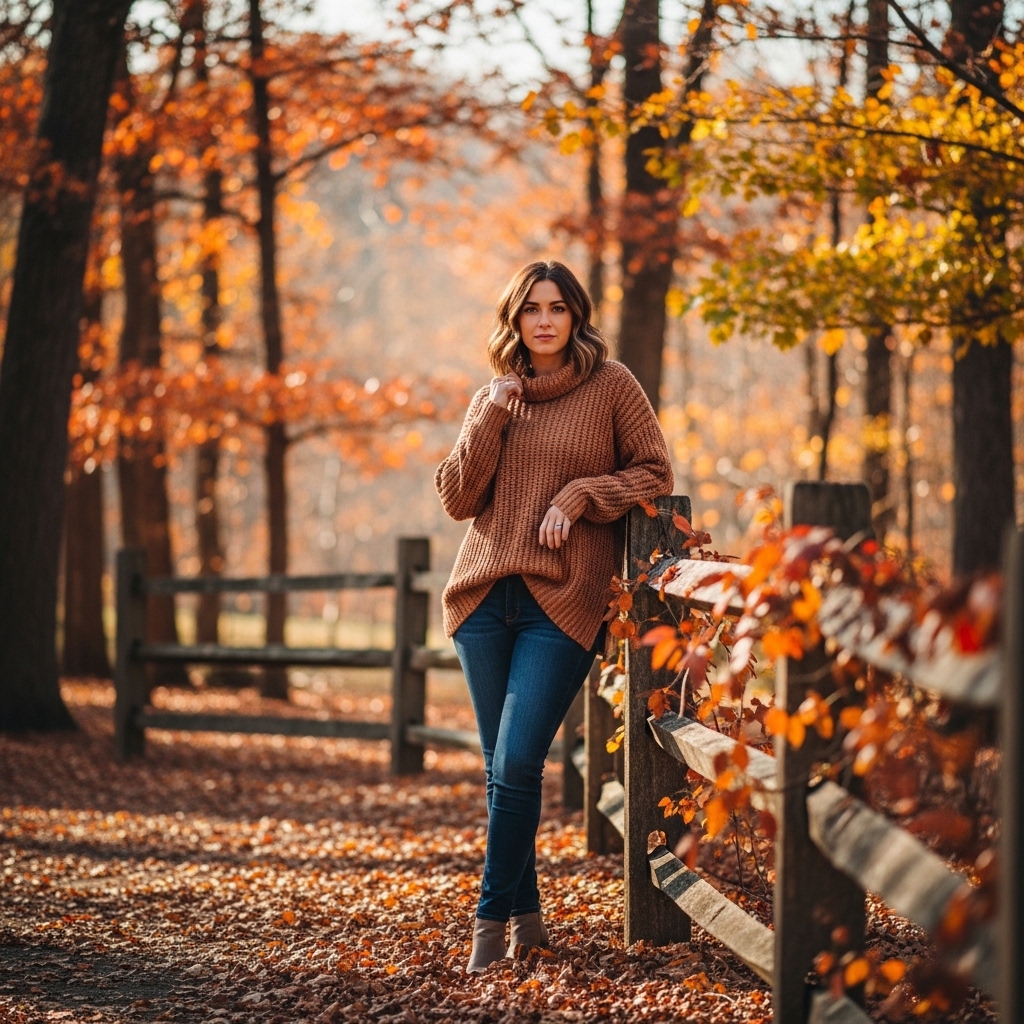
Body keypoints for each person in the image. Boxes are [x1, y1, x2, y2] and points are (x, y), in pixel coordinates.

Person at [435, 260, 673, 974]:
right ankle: (529, 920)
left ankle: (487, 924)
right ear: (514, 320)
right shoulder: (494, 397)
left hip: (561, 602)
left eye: (557, 308)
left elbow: (657, 473)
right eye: (530, 309)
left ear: (577, 317)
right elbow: (455, 497)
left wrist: (581, 495)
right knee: (504, 772)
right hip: (483, 598)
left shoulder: (611, 387)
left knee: (515, 762)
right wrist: (489, 414)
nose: (543, 320)